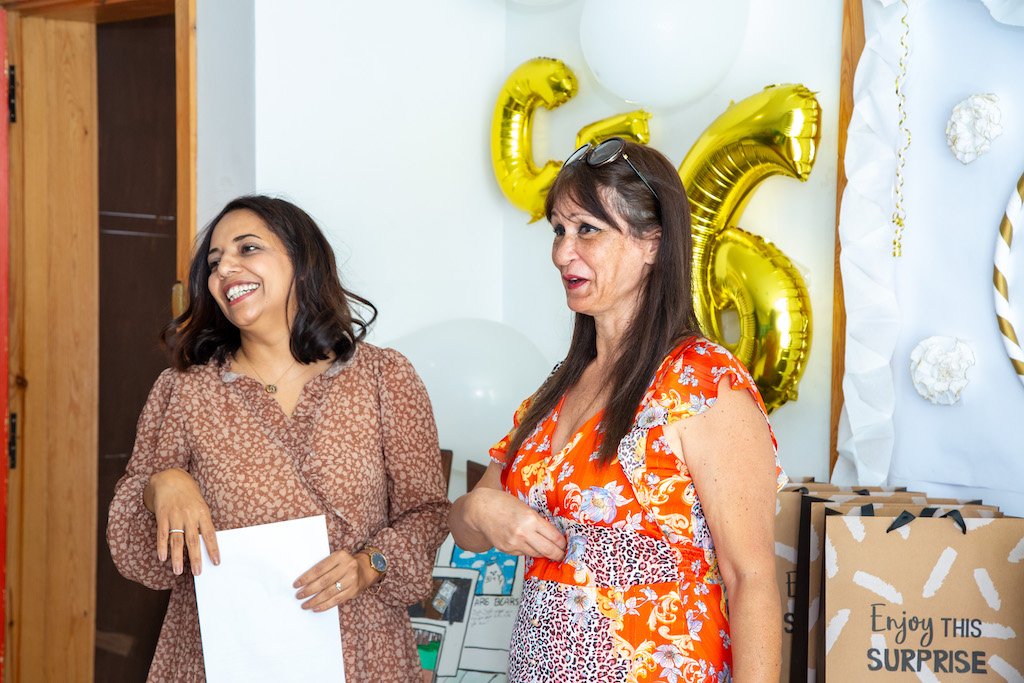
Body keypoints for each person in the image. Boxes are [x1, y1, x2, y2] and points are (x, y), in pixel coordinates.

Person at [450, 139, 786, 682]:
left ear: (653, 243)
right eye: (558, 230)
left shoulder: (701, 381)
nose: (562, 252)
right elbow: (466, 529)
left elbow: (751, 579)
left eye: (587, 229)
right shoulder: (557, 388)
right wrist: (482, 509)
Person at [107, 195, 450, 682]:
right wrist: (159, 484)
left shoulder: (384, 377)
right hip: (222, 657)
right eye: (214, 262)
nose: (225, 268)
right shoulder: (184, 392)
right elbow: (133, 547)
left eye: (247, 248)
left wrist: (370, 564)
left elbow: (427, 512)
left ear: (303, 264)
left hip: (363, 653)